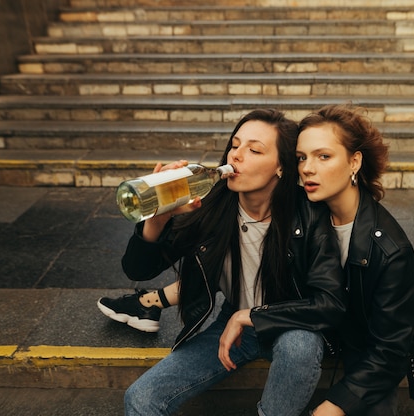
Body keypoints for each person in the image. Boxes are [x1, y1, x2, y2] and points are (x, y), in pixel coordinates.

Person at [98, 108, 347, 416]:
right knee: (141, 397)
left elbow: (330, 303)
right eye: (235, 145)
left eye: (254, 150)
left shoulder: (310, 216)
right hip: (232, 328)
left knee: (300, 344)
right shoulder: (208, 207)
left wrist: (249, 315)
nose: (237, 156)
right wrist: (157, 221)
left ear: (281, 167)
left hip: (291, 324)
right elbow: (138, 270)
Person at [296, 104, 414, 416]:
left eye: (323, 156)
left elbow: (387, 351)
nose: (307, 168)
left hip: (366, 342)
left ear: (354, 161)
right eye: (301, 157)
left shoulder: (391, 251)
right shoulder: (302, 213)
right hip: (316, 332)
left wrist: (335, 405)